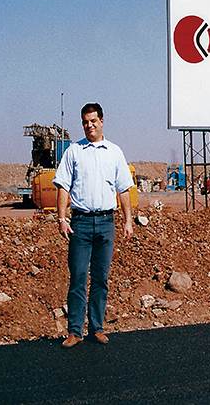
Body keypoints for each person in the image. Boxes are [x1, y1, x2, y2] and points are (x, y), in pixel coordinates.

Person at [53, 103, 134, 348]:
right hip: (81, 224)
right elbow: (63, 186)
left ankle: (96, 328)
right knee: (78, 276)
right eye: (85, 122)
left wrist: (128, 220)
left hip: (107, 223)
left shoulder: (114, 152)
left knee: (101, 278)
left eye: (93, 121)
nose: (89, 126)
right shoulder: (74, 152)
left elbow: (123, 189)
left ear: (102, 121)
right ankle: (75, 331)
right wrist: (61, 218)